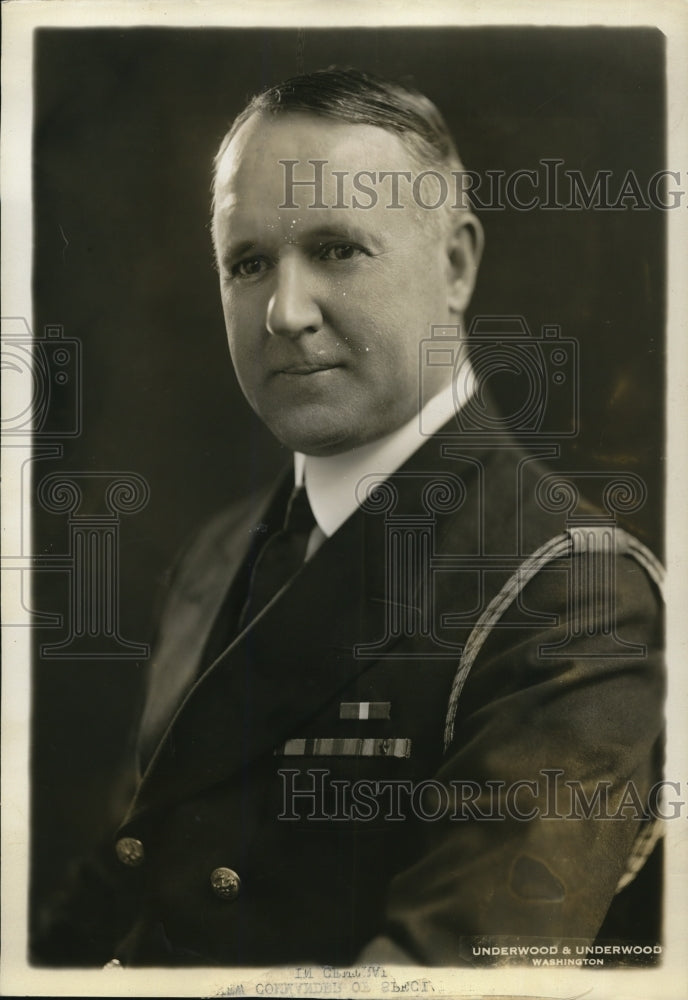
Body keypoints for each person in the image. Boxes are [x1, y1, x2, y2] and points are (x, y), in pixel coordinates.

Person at [34, 68, 664, 968]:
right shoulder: (217, 556)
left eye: (336, 249)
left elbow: (443, 978)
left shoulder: (579, 595)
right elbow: (120, 887)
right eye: (249, 263)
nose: (284, 313)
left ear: (456, 264)